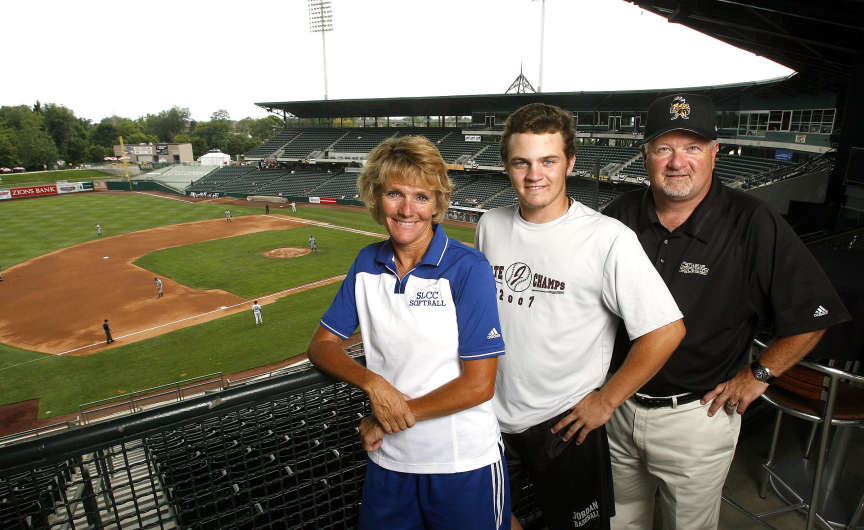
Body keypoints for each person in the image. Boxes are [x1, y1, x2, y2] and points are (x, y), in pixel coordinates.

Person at [602, 93, 851, 530]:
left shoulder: (753, 221)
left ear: (715, 153)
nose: (678, 161)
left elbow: (816, 315)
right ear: (645, 155)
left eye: (692, 147)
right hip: (616, 406)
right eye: (664, 148)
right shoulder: (618, 215)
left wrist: (759, 375)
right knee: (620, 521)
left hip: (696, 416)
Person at [475, 103, 685, 530]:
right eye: (522, 162)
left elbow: (666, 330)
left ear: (569, 162)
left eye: (548, 161)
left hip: (566, 425)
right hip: (489, 419)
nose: (535, 174)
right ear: (507, 166)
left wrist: (605, 401)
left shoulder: (607, 238)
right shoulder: (489, 225)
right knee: (491, 521)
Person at [308, 136, 511, 529]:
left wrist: (386, 417)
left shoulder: (469, 267)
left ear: (437, 204)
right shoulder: (367, 262)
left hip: (462, 462)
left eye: (421, 197)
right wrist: (372, 383)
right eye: (395, 193)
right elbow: (322, 345)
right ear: (376, 197)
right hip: (390, 461)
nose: (406, 209)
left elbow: (479, 385)